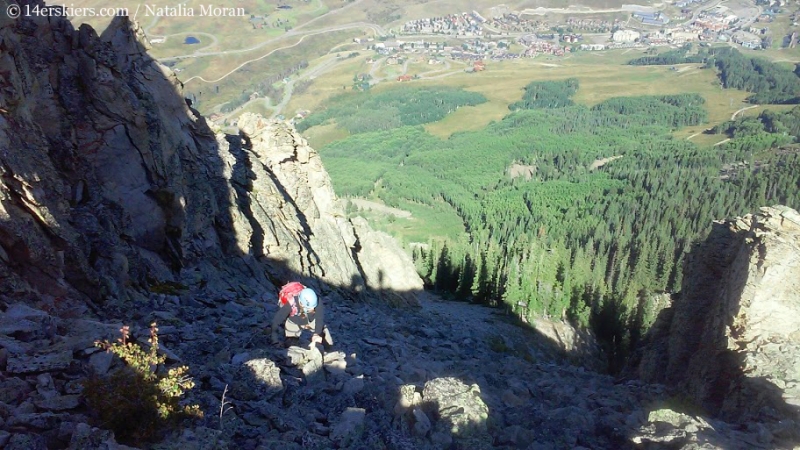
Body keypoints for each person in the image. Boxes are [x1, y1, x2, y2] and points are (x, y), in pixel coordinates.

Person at [270, 281, 334, 349]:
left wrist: (317, 334)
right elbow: (277, 320)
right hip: (294, 322)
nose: (313, 309)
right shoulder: (291, 303)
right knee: (291, 345)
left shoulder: (317, 301)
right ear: (301, 303)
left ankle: (328, 350)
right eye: (310, 308)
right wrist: (275, 340)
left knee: (327, 338)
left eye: (313, 308)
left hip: (311, 320)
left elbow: (319, 319)